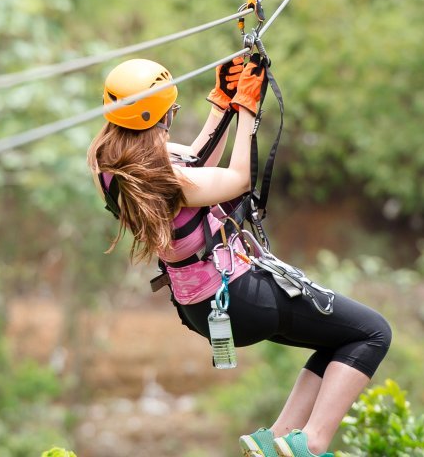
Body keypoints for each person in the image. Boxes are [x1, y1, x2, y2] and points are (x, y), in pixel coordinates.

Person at [86, 57, 392, 457]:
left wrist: (222, 102)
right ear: (160, 118)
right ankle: (312, 444)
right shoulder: (165, 177)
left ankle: (277, 439)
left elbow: (194, 163)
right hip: (239, 298)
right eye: (171, 113)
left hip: (201, 306)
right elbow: (235, 179)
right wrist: (248, 109)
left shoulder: (109, 165)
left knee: (339, 342)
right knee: (373, 332)